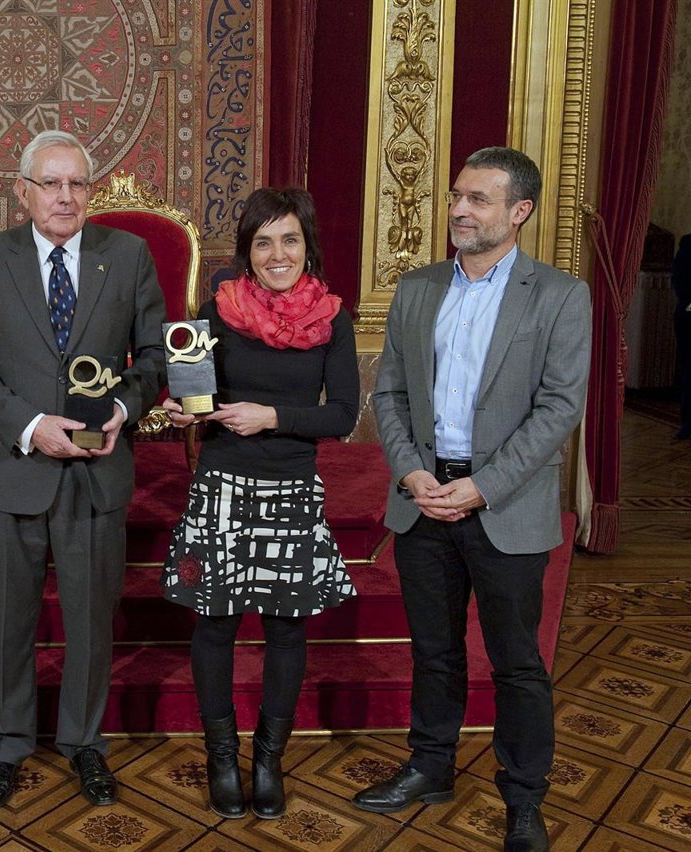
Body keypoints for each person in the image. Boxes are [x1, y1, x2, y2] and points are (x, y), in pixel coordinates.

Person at [357, 147, 590, 852]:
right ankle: (430, 767)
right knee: (434, 652)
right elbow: (390, 394)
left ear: (519, 211)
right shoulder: (418, 287)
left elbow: (559, 407)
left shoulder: (560, 296)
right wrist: (410, 473)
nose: (459, 209)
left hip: (505, 507)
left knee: (517, 663)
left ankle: (523, 797)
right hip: (424, 501)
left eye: (478, 199)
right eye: (457, 195)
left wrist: (484, 486)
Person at [0, 130, 166, 808]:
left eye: (77, 183)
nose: (65, 196)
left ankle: (83, 741)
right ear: (24, 192)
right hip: (14, 468)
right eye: (51, 183)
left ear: (91, 191)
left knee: (91, 622)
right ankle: (6, 743)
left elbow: (155, 357)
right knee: (8, 621)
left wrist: (123, 411)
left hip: (97, 470)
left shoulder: (127, 256)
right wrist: (30, 426)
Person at [162, 187, 358, 820]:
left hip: (292, 488)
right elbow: (196, 394)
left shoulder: (333, 319)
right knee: (215, 624)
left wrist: (271, 416)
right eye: (264, 242)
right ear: (247, 251)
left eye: (289, 240)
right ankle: (222, 758)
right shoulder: (217, 314)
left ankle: (268, 761)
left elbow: (342, 415)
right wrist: (183, 409)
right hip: (223, 483)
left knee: (285, 627)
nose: (278, 255)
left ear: (307, 246)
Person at [672, 233, 691, 440]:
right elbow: (679, 280)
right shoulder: (688, 244)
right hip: (689, 316)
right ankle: (688, 422)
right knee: (689, 370)